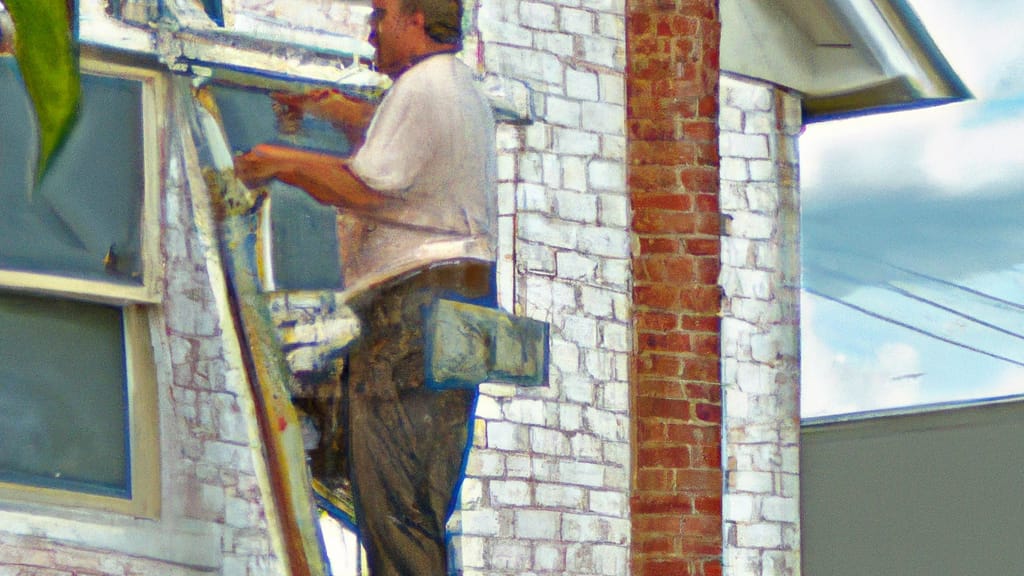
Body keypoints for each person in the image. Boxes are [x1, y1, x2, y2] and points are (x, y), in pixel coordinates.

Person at [234, 0, 497, 573]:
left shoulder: (423, 87)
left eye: (381, 15)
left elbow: (365, 188)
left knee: (395, 502)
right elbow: (407, 155)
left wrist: (276, 161)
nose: (371, 29)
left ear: (416, 21)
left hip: (414, 308)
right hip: (459, 305)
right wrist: (343, 115)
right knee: (417, 497)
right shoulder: (457, 89)